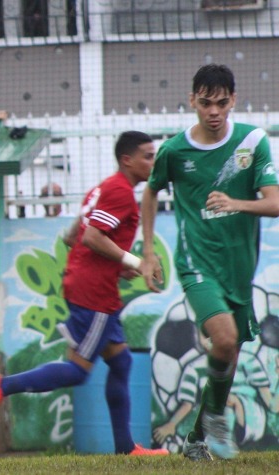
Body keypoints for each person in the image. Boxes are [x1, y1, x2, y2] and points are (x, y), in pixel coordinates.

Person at [0, 131, 168, 457]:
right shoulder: (120, 192)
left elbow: (73, 236)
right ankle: (2, 385)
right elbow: (93, 237)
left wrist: (118, 266)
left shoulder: (101, 188)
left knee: (121, 363)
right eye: (148, 156)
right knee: (78, 371)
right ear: (127, 160)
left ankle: (127, 449)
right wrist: (134, 260)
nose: (153, 162)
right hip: (93, 294)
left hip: (94, 285)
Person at [140, 64, 279, 461]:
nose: (213, 112)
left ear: (233, 100)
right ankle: (216, 419)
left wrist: (236, 203)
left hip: (238, 268)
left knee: (229, 351)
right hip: (196, 262)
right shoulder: (173, 151)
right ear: (192, 102)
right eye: (205, 103)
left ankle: (199, 437)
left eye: (221, 103)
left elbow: (274, 202)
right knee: (224, 338)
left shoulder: (252, 142)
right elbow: (150, 194)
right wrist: (148, 251)